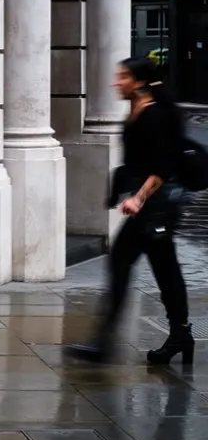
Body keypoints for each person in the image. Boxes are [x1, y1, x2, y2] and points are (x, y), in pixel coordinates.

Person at [67, 56, 192, 365]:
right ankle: (178, 335)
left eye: (122, 76)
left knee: (134, 266)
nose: (116, 82)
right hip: (149, 210)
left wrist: (138, 198)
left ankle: (106, 342)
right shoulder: (138, 110)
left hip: (156, 209)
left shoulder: (154, 116)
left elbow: (163, 166)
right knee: (161, 271)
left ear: (138, 82)